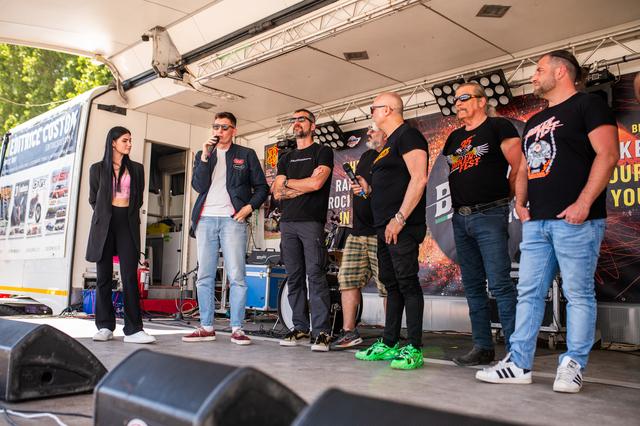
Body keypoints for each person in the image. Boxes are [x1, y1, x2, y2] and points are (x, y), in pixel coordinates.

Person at [476, 50, 618, 393]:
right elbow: (525, 166)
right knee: (528, 293)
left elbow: (608, 153)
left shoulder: (588, 105)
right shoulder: (536, 120)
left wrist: (584, 203)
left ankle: (572, 366)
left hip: (576, 220)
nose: (533, 76)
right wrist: (520, 202)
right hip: (537, 222)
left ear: (561, 72)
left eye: (539, 69)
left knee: (578, 293)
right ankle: (518, 363)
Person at [443, 82, 521, 366]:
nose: (458, 103)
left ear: (481, 101)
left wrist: (505, 197)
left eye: (464, 97)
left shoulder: (499, 126)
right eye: (456, 99)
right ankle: (482, 347)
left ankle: (515, 351)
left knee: (500, 284)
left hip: (489, 214)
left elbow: (519, 166)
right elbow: (455, 171)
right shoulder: (454, 137)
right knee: (473, 285)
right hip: (460, 217)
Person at [352, 92, 429, 370]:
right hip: (383, 226)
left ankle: (415, 348)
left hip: (401, 225)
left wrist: (400, 218)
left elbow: (419, 178)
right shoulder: (388, 145)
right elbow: (393, 183)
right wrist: (369, 189)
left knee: (407, 283)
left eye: (373, 107)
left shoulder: (409, 136)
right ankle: (389, 342)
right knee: (392, 284)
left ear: (388, 110)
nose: (371, 112)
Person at [183, 112, 268, 345]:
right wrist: (204, 157)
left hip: (233, 220)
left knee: (237, 276)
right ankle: (206, 327)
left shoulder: (246, 154)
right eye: (216, 127)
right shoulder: (203, 154)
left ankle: (237, 328)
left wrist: (248, 208)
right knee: (204, 275)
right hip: (205, 219)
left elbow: (262, 188)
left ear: (234, 131)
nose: (219, 131)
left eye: (224, 127)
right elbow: (198, 185)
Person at [272, 108, 334, 352]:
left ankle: (321, 332)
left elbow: (317, 183)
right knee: (294, 277)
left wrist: (288, 183)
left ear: (312, 125)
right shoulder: (285, 158)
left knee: (315, 276)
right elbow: (277, 192)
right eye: (294, 120)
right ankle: (299, 328)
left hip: (311, 223)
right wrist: (300, 186)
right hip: (287, 223)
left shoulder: (322, 151)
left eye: (302, 119)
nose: (296, 123)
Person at [86, 126, 155, 344]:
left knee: (129, 276)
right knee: (103, 277)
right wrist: (106, 214)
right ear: (113, 142)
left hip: (127, 222)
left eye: (130, 140)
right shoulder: (97, 169)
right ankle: (105, 326)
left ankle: (134, 329)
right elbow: (93, 199)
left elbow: (138, 199)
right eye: (125, 140)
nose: (129, 144)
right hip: (104, 224)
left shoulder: (137, 169)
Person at [331, 126, 388, 349]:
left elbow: (394, 190)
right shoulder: (365, 156)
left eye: (374, 130)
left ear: (386, 134)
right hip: (357, 230)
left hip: (380, 230)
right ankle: (349, 332)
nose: (369, 133)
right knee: (347, 280)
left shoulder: (392, 155)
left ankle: (389, 335)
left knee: (386, 285)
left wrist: (370, 189)